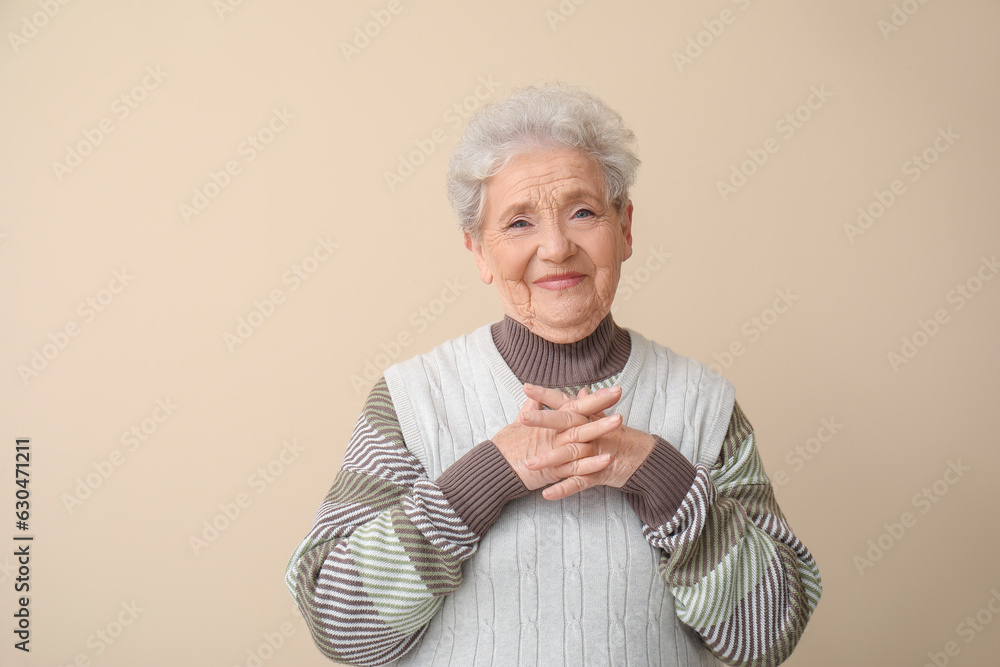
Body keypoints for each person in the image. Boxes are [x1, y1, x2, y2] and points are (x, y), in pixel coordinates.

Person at [285, 84, 822, 666]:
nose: (557, 246)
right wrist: (483, 480)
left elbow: (770, 636)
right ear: (479, 252)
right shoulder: (413, 400)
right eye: (518, 223)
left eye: (583, 212)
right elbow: (341, 626)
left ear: (625, 229)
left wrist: (661, 476)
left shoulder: (705, 404)